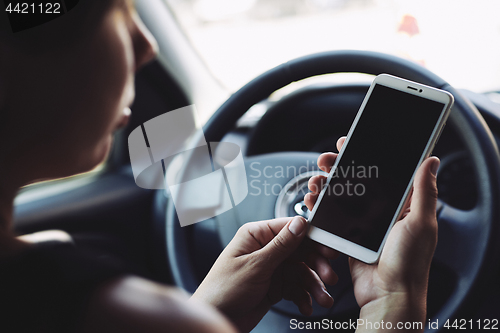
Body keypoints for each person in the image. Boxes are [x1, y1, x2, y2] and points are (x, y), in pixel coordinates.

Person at [0, 1, 440, 332]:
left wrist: (207, 311)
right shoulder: (109, 313)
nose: (146, 45)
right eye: (118, 10)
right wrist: (391, 300)